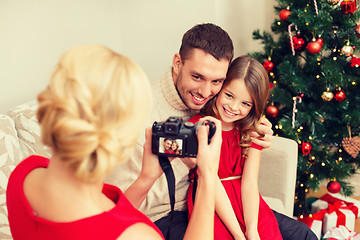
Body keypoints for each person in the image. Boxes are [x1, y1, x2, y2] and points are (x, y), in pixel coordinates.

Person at [106, 23, 316, 240]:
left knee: (303, 235)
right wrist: (188, 162)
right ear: (177, 63)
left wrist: (260, 127)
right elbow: (117, 207)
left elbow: (241, 103)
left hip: (225, 201)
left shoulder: (217, 103)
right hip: (167, 214)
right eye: (197, 77)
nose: (206, 92)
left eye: (217, 81)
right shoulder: (137, 115)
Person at [6, 45, 224, 240]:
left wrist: (146, 178)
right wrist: (207, 175)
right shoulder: (137, 235)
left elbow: (110, 217)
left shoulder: (25, 174)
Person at [187, 56, 282, 240]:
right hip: (211, 198)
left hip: (248, 202)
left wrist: (252, 229)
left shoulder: (252, 130)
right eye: (229, 95)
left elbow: (250, 182)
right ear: (219, 89)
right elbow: (211, 182)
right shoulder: (201, 126)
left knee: (265, 233)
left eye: (245, 104)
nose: (233, 107)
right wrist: (239, 235)